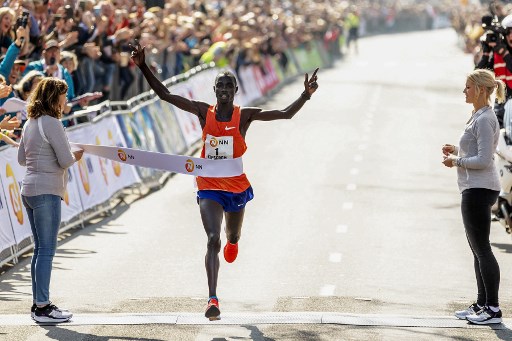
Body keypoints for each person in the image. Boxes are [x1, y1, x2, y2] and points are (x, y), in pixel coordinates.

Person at [130, 42, 318, 320]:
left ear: (236, 91)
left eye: (229, 87)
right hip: (208, 185)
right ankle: (212, 299)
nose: (225, 91)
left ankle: (234, 241)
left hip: (236, 187)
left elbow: (285, 114)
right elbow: (165, 94)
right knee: (213, 239)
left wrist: (305, 95)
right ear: (215, 91)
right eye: (221, 87)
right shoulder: (203, 111)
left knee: (232, 236)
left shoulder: (245, 116)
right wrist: (143, 65)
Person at [18, 77, 84, 323]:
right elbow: (65, 160)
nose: (65, 100)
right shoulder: (51, 123)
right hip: (47, 190)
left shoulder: (30, 123)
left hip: (29, 188)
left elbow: (22, 159)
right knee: (46, 250)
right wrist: (76, 154)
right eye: (63, 96)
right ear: (54, 98)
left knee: (39, 249)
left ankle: (39, 304)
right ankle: (43, 306)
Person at [442, 69, 504, 325]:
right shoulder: (477, 116)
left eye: (468, 87)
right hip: (473, 187)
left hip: (480, 189)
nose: (464, 91)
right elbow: (477, 148)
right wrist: (456, 149)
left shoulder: (485, 118)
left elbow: (484, 159)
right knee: (477, 250)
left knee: (483, 249)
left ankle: (492, 308)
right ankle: (481, 303)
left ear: (480, 89)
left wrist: (457, 160)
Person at [476, 14, 512, 128]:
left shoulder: (503, 52)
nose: (511, 36)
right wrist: (486, 54)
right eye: (509, 32)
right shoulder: (498, 53)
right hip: (502, 101)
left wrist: (505, 53)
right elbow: (477, 77)